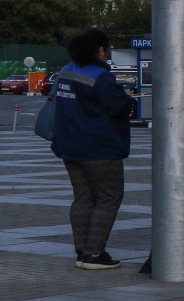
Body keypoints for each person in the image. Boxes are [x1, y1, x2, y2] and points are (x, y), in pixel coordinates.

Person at [52, 28, 134, 270]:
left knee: (83, 197)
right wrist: (126, 96)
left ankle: (82, 252)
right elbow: (118, 106)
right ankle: (95, 254)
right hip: (99, 148)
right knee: (109, 197)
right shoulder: (100, 75)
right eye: (106, 50)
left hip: (69, 146)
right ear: (100, 51)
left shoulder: (66, 71)